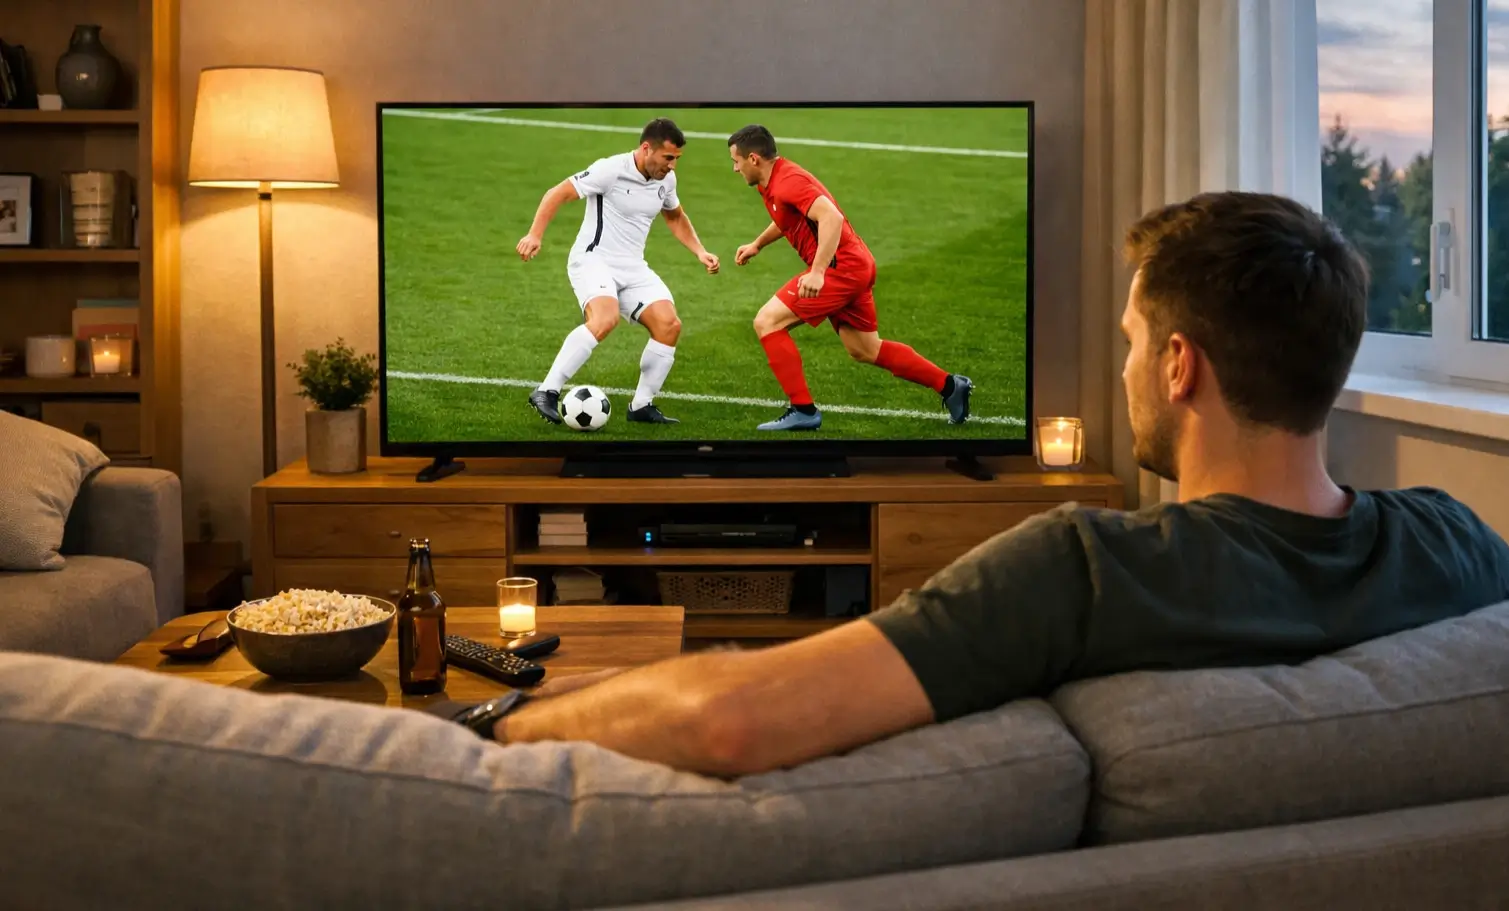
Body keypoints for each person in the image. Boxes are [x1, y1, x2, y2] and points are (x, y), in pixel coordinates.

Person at [442, 191, 1509, 778]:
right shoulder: (1457, 544)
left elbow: (737, 720)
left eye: (1136, 341)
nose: (1128, 363)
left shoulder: (1086, 567)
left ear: (1182, 366)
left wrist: (492, 725)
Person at [725, 124, 972, 431]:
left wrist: (817, 271)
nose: (735, 169)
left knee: (767, 321)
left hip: (840, 268)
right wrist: (757, 244)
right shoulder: (774, 181)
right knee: (865, 349)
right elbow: (787, 217)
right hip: (854, 265)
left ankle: (803, 410)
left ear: (753, 159)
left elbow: (831, 217)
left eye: (736, 161)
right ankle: (950, 386)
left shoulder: (788, 181)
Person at [518, 117, 720, 426]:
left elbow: (676, 217)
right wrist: (535, 234)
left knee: (669, 325)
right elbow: (557, 192)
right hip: (593, 260)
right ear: (646, 148)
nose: (672, 166)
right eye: (668, 158)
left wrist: (700, 251)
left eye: (677, 159)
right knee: (605, 319)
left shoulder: (666, 181)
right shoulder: (610, 170)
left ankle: (641, 406)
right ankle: (546, 391)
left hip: (633, 267)